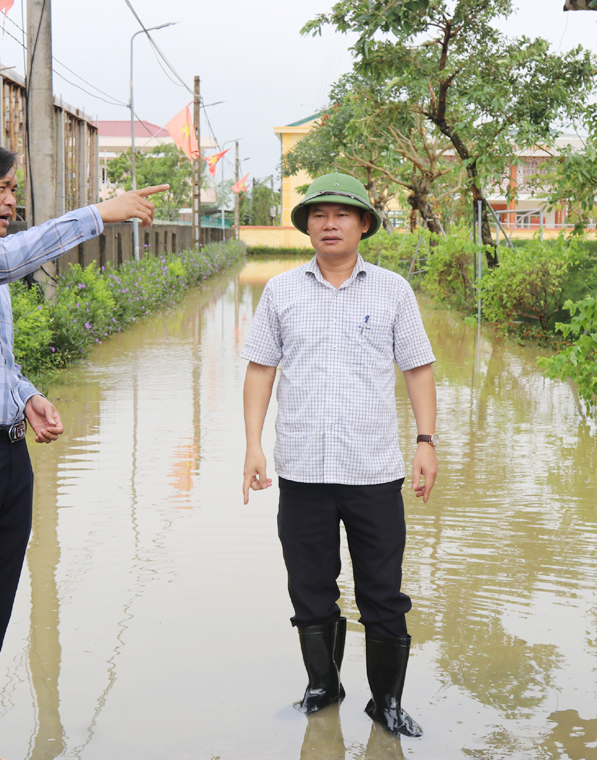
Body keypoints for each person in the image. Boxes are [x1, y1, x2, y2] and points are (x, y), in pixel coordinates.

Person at [0, 135, 166, 760]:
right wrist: (99, 213)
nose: (11, 200)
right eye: (4, 186)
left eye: (15, 189)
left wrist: (26, 396)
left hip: (5, 458)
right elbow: (10, 260)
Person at [241, 172, 438, 738]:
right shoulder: (280, 292)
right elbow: (260, 372)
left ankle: (388, 703)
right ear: (307, 227)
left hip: (374, 472)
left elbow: (418, 369)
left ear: (364, 225)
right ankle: (323, 689)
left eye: (342, 215)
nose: (329, 224)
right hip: (301, 471)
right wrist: (254, 445)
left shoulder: (393, 290)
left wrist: (426, 442)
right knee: (309, 589)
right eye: (319, 215)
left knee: (383, 591)